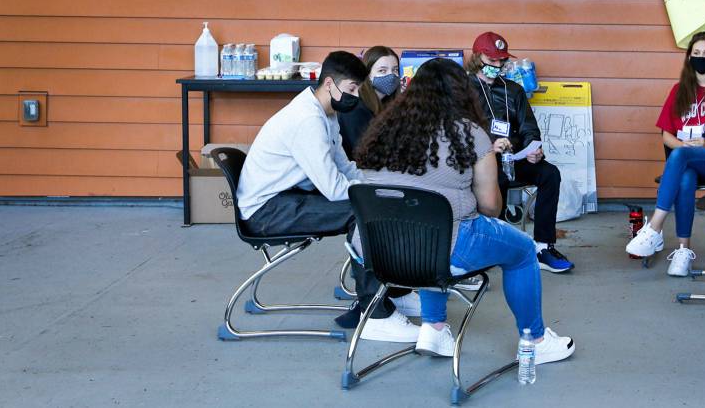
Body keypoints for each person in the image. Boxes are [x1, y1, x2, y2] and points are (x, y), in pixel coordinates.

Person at [353, 58, 576, 363]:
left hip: (379, 253)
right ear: (463, 93)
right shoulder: (470, 134)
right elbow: (491, 206)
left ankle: (433, 328)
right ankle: (534, 340)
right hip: (442, 248)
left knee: (427, 228)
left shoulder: (383, 129)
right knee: (523, 250)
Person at [237, 50, 420, 343]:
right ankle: (375, 315)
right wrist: (375, 193)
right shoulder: (306, 120)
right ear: (329, 84)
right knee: (364, 211)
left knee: (372, 202)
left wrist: (379, 182)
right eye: (351, 89)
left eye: (358, 89)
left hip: (287, 198)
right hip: (266, 212)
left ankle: (392, 295)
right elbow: (333, 188)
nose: (356, 96)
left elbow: (344, 166)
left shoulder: (326, 112)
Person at [625, 32, 705, 276]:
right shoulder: (679, 91)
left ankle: (654, 227)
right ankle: (683, 251)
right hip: (685, 158)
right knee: (685, 176)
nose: (701, 58)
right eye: (696, 54)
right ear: (688, 57)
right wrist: (684, 149)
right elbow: (666, 135)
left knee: (681, 157)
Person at [466, 31, 574, 274]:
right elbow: (459, 133)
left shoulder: (512, 90)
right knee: (497, 179)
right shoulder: (463, 90)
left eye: (501, 60)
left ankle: (543, 247)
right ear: (477, 57)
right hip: (481, 160)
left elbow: (529, 127)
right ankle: (497, 247)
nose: (498, 65)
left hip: (514, 157)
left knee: (550, 174)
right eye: (492, 60)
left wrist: (534, 150)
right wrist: (488, 147)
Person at [338, 46, 402, 159]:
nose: (391, 76)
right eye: (382, 70)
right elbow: (363, 153)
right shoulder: (355, 107)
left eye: (395, 70)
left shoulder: (387, 103)